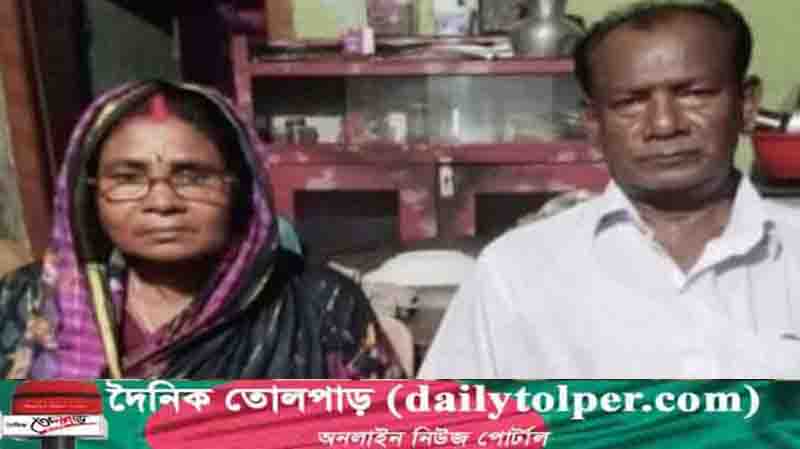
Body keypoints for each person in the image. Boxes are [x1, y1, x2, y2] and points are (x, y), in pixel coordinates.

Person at [419, 0, 800, 378]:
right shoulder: (515, 273)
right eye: (629, 103)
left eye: (694, 94)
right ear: (594, 125)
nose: (664, 125)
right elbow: (451, 414)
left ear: (746, 105)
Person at [0, 80, 404, 379]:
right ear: (88, 193)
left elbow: (380, 432)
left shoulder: (320, 306)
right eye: (127, 178)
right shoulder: (30, 302)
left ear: (242, 187)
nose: (162, 203)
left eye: (193, 177)